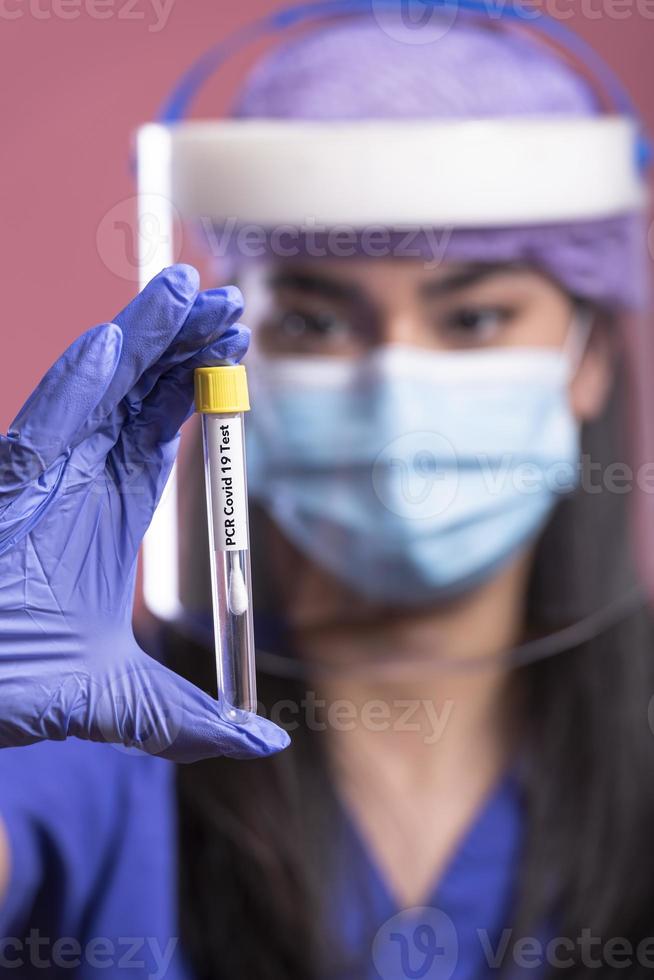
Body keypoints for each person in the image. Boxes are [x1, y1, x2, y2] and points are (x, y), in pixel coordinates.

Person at [1, 5, 653, 980]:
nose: (393, 384)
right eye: (310, 322)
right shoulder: (88, 741)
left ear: (588, 357)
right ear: (231, 361)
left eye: (473, 316)